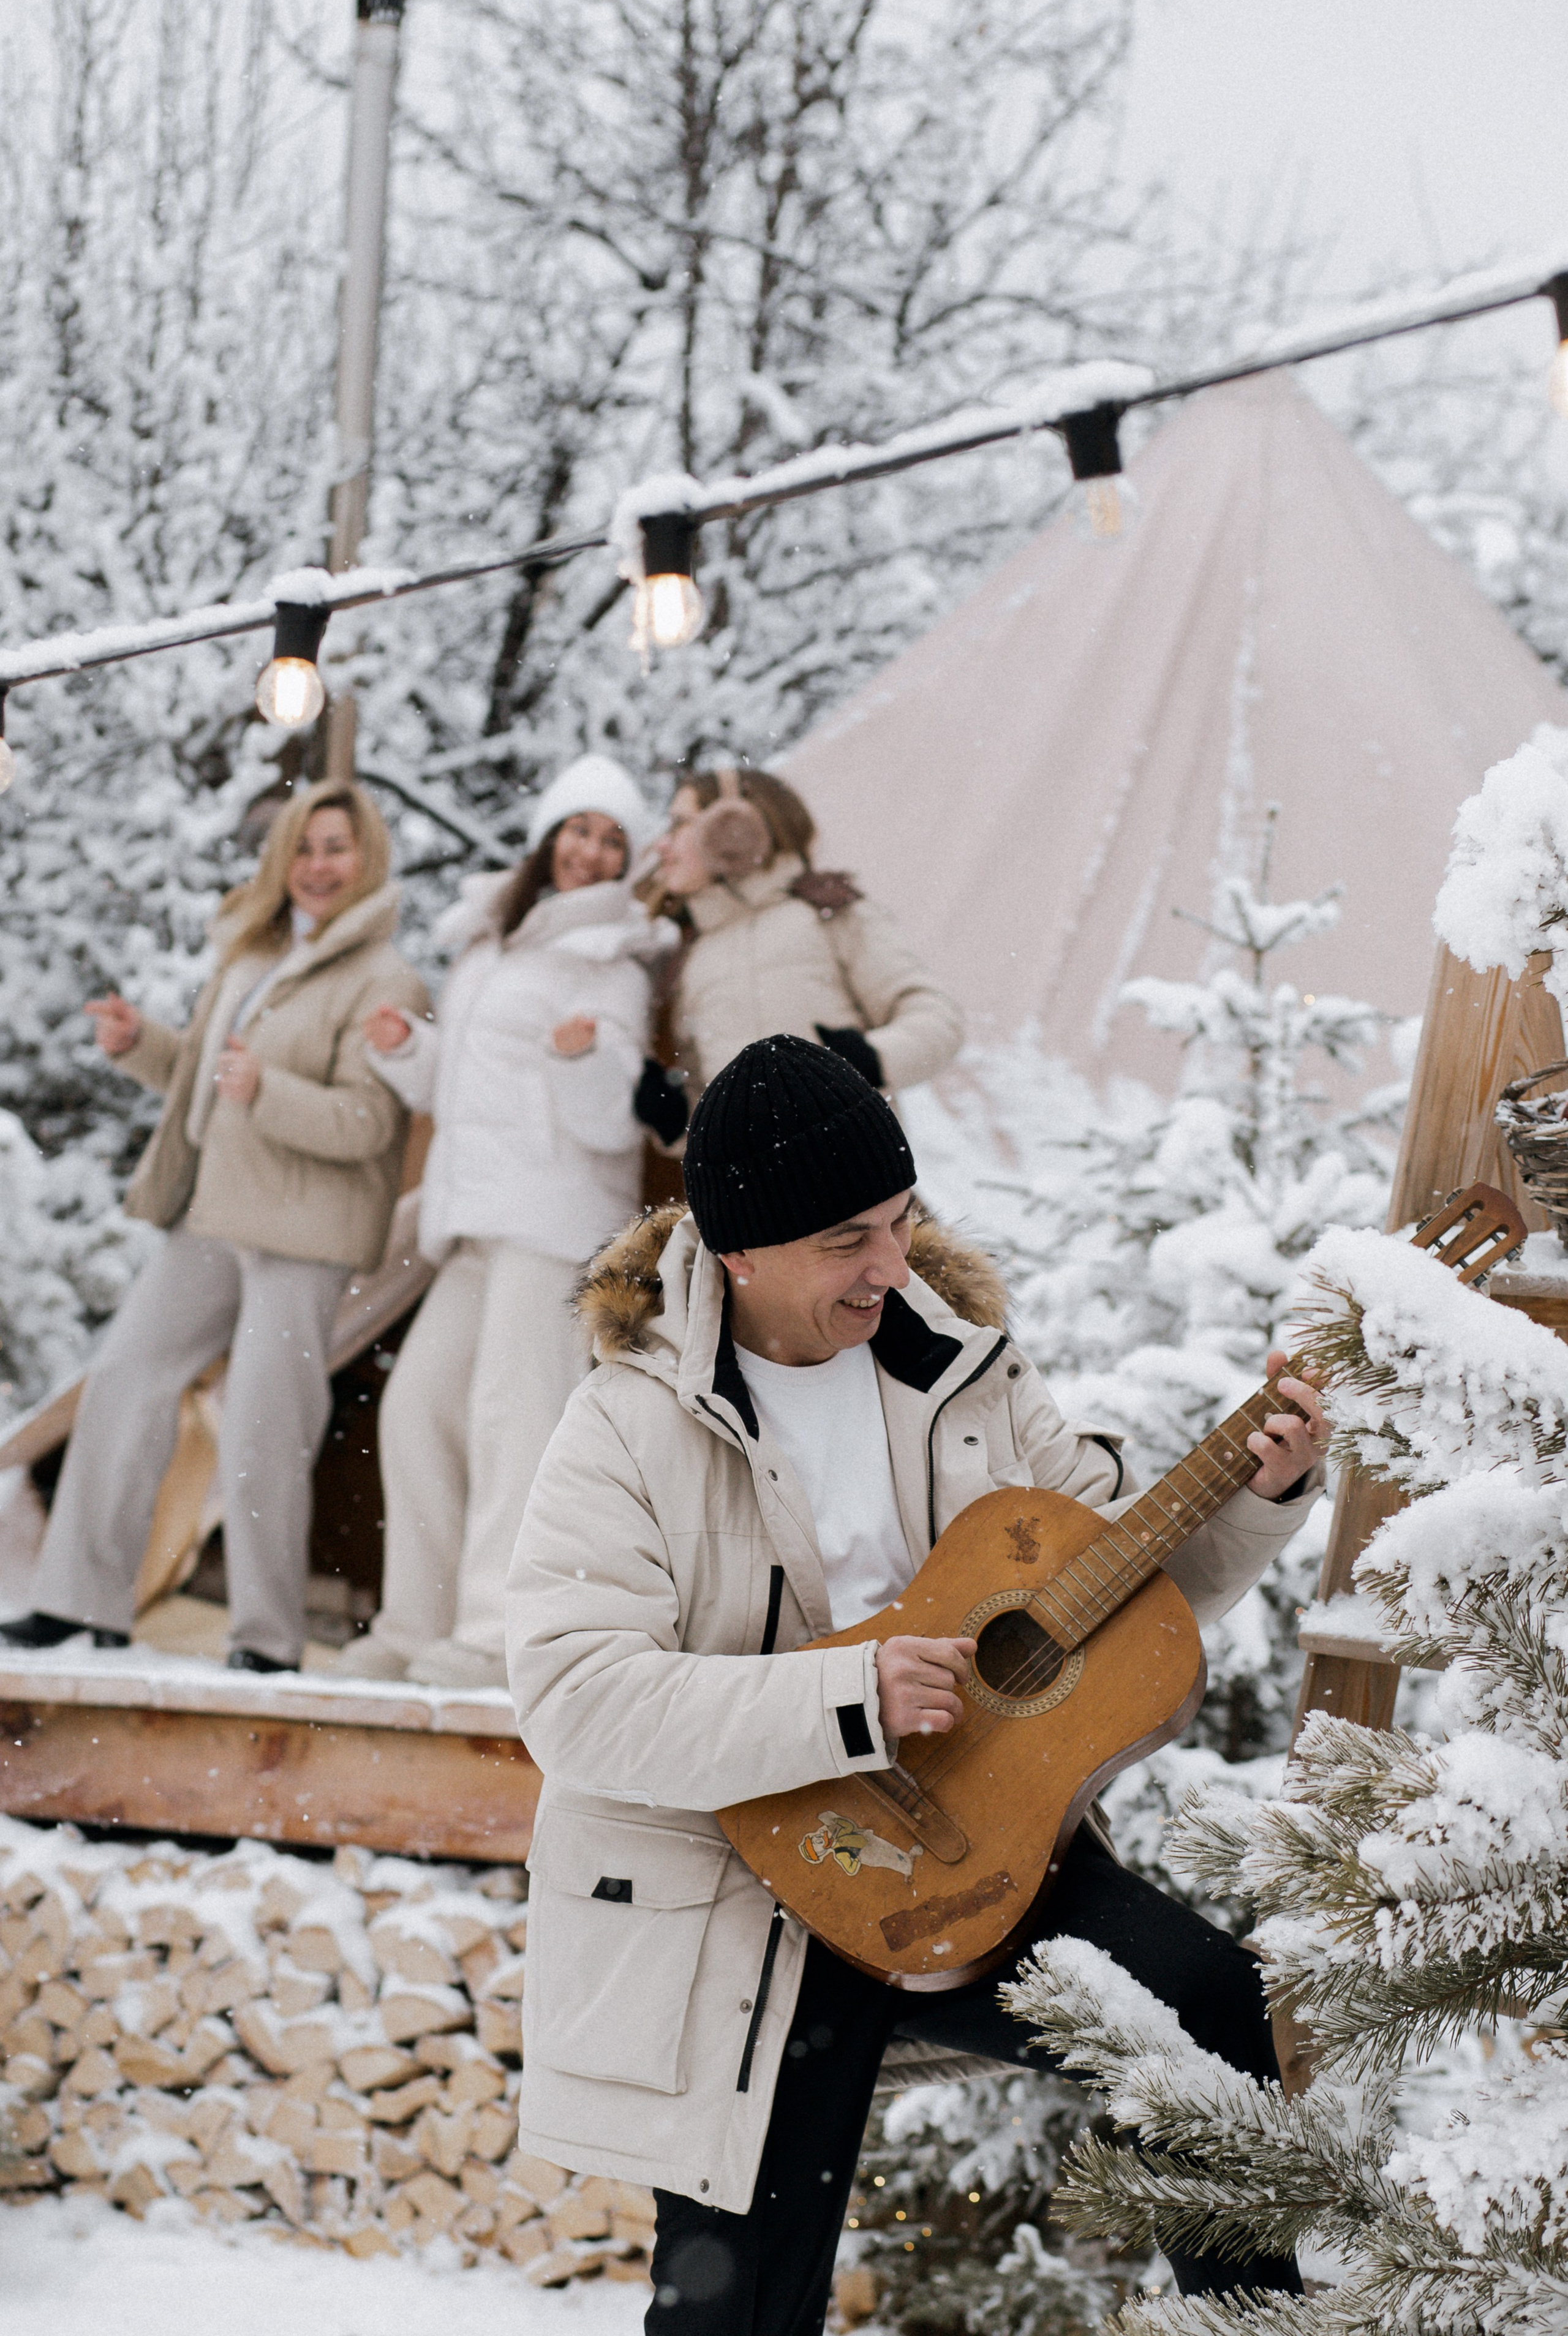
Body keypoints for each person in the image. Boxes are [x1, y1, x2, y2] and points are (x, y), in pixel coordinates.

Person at [507, 1034, 1327, 2335]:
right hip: (747, 1888)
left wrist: (1264, 1493)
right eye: (846, 1240)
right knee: (740, 2296)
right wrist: (849, 1697)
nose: (889, 1267)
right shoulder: (625, 1426)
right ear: (739, 1252)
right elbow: (576, 1703)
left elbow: (1114, 1589)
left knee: (1206, 2014)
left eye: (898, 1223)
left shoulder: (962, 1373)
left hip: (979, 1850)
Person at [2, 780, 426, 1675]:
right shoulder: (252, 955)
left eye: (337, 847)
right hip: (214, 1211)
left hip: (303, 1233)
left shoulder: (383, 979)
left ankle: (266, 1642)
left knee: (265, 1426)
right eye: (304, 848)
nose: (318, 865)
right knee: (124, 1378)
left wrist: (269, 1093)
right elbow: (208, 1079)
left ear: (368, 860)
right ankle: (80, 1605)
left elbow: (369, 1127)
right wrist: (139, 1046)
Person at [339, 754, 673, 1692]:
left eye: (612, 840)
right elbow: (466, 1087)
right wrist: (412, 1053)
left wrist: (581, 1061)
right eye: (580, 830)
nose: (591, 852)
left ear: (625, 860)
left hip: (556, 1220)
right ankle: (414, 1622)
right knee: (417, 1411)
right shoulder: (495, 940)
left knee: (514, 1418)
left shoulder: (613, 960)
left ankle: (495, 1634)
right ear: (549, 838)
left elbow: (614, 1118)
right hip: (480, 1217)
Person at [632, 766, 962, 1147]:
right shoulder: (689, 958)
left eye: (678, 826)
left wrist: (871, 1061)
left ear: (732, 826)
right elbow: (712, 1116)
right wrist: (677, 1120)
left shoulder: (829, 913)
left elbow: (939, 1020)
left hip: (860, 1182)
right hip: (756, 1201)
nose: (662, 846)